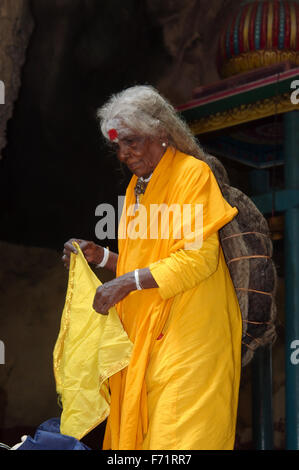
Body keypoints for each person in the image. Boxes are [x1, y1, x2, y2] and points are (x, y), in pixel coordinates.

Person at [62, 85, 242, 450]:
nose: (124, 155)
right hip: (148, 337)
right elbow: (147, 264)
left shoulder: (193, 175)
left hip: (191, 337)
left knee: (178, 442)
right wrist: (103, 258)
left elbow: (197, 258)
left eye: (132, 142)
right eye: (117, 147)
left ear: (161, 133)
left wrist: (125, 283)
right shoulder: (135, 189)